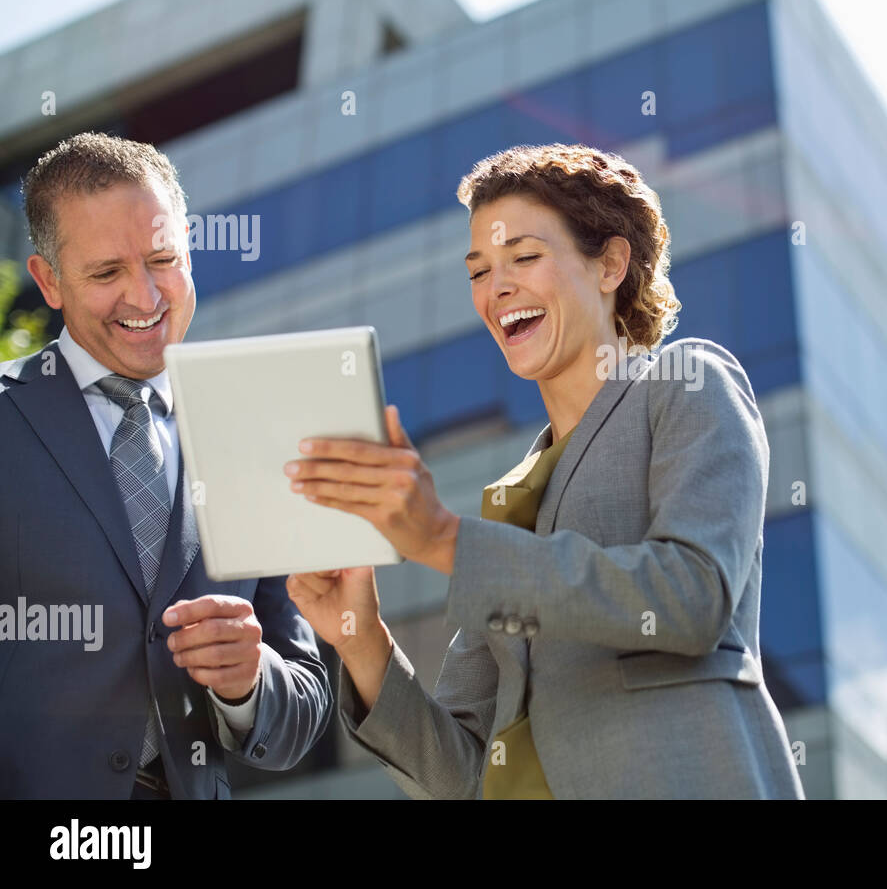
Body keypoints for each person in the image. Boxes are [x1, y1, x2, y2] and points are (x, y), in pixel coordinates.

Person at [285, 143, 804, 798]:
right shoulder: (511, 501)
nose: (497, 288)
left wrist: (444, 540)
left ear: (611, 264)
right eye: (479, 270)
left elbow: (693, 596)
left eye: (524, 258)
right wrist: (359, 637)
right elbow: (465, 774)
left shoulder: (686, 382)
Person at [0, 132, 332, 799]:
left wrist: (249, 680)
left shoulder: (254, 439)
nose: (144, 296)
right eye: (105, 273)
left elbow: (302, 709)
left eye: (162, 259)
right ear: (48, 281)